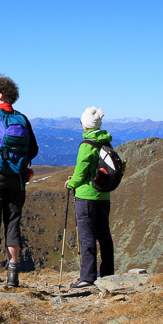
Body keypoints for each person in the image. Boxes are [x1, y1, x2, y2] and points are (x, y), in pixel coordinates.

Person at [0, 73, 39, 287]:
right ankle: (13, 276)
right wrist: (19, 166)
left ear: (0, 96)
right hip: (16, 179)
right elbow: (34, 149)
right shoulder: (22, 118)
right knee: (13, 223)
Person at [64, 106, 115, 288]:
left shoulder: (87, 144)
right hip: (103, 195)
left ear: (85, 125)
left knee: (87, 236)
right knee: (104, 236)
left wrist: (71, 184)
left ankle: (87, 276)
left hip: (86, 196)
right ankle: (108, 274)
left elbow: (81, 171)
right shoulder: (105, 142)